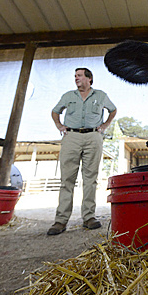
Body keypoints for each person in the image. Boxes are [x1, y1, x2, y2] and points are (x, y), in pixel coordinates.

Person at [47, 67, 117, 235]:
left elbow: (113, 110)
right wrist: (59, 125)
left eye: (79, 76)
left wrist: (105, 125)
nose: (76, 78)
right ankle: (61, 220)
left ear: (89, 79)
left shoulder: (100, 95)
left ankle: (89, 217)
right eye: (75, 76)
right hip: (71, 137)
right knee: (67, 180)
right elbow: (55, 111)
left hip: (93, 137)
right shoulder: (68, 96)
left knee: (90, 178)